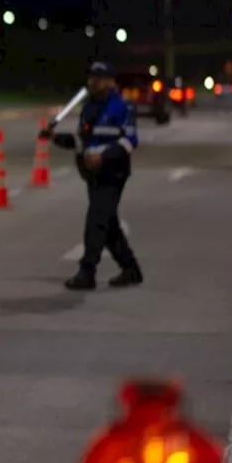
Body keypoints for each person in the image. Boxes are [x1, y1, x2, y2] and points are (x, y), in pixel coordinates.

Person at [40, 61, 144, 291]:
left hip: (113, 172)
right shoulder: (89, 108)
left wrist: (104, 157)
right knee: (108, 223)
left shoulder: (123, 107)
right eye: (91, 77)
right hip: (91, 173)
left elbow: (130, 140)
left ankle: (87, 272)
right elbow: (81, 141)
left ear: (110, 82)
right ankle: (131, 269)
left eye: (98, 78)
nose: (92, 82)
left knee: (96, 219)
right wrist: (54, 137)